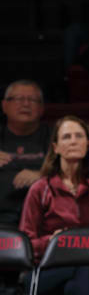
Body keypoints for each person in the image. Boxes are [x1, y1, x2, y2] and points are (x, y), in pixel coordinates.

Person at [20, 116, 89, 295]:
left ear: (88, 145)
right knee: (84, 268)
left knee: (84, 270)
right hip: (47, 269)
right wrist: (51, 241)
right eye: (67, 137)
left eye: (79, 136)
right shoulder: (41, 188)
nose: (73, 141)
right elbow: (25, 245)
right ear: (56, 147)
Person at [0, 80, 49, 225]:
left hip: (43, 218)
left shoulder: (55, 137)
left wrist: (42, 176)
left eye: (32, 99)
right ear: (4, 105)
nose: (26, 104)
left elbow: (73, 174)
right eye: (19, 98)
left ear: (42, 108)